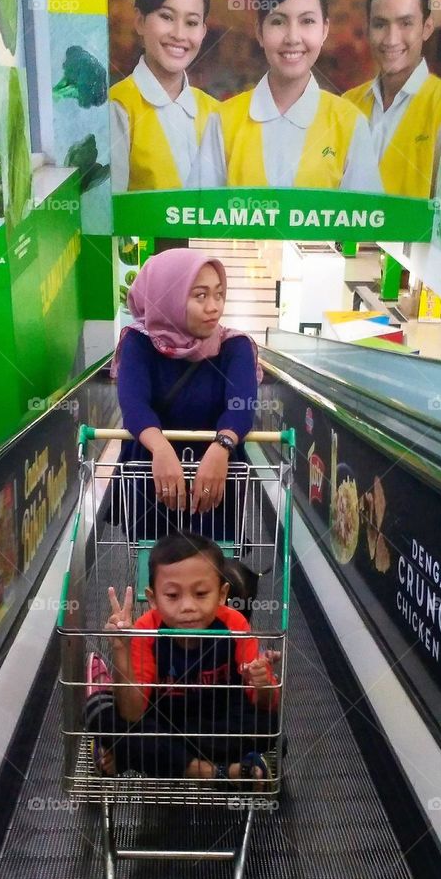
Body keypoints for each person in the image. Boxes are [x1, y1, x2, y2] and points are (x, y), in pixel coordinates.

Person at [85, 532, 279, 781]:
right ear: (153, 598)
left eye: (200, 594)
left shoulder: (234, 624)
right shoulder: (146, 629)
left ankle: (129, 755)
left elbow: (266, 703)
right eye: (173, 596)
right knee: (99, 713)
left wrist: (262, 685)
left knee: (271, 728)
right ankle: (221, 772)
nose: (188, 606)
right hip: (165, 722)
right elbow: (132, 714)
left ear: (221, 595)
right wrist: (121, 649)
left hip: (216, 723)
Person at [189, 0, 382, 193]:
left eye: (307, 21)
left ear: (324, 30)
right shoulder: (223, 122)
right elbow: (198, 219)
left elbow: (364, 222)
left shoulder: (349, 124)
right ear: (260, 32)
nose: (292, 38)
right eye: (278, 22)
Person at [112, 248, 261, 540]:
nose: (213, 307)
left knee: (213, 568)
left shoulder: (234, 347)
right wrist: (161, 450)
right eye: (200, 295)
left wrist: (221, 448)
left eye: (219, 294)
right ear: (169, 295)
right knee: (156, 566)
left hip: (217, 479)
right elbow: (134, 404)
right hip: (151, 475)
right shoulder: (139, 343)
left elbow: (241, 407)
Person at [110, 0, 219, 193]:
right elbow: (109, 216)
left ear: (203, 32)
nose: (179, 34)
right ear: (139, 21)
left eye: (191, 22)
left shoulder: (216, 113)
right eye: (167, 17)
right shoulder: (118, 106)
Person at [343, 0, 441, 198]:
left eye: (405, 23)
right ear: (368, 29)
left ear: (427, 28)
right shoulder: (346, 105)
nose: (391, 39)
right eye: (380, 24)